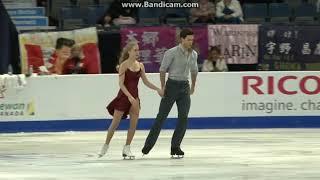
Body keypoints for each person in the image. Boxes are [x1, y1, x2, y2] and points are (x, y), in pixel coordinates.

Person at [99, 40, 162, 159]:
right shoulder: (123, 65)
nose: (138, 52)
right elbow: (121, 84)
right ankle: (106, 145)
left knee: (133, 124)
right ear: (129, 52)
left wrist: (157, 89)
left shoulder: (140, 66)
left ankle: (127, 148)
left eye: (138, 50)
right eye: (135, 50)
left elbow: (146, 82)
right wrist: (129, 96)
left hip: (135, 98)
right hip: (124, 97)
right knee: (115, 123)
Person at [141, 28, 198, 158]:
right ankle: (148, 146)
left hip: (184, 86)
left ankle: (175, 147)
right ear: (182, 39)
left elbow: (194, 71)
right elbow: (162, 70)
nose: (191, 42)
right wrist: (162, 87)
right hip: (171, 86)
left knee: (183, 117)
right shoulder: (171, 52)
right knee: (161, 117)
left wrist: (193, 86)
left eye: (192, 40)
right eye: (188, 40)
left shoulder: (194, 54)